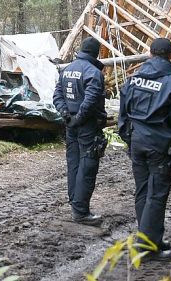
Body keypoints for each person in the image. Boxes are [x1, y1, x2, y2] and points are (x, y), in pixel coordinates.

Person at [118, 38, 171, 260]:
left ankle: (151, 238)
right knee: (157, 195)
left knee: (143, 191)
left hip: (137, 142)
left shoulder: (132, 81)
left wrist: (129, 139)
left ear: (150, 54)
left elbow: (122, 115)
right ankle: (147, 246)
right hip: (159, 146)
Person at [53, 37, 108, 226]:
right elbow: (91, 100)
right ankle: (81, 210)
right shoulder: (93, 72)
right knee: (87, 165)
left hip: (71, 124)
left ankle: (75, 202)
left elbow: (57, 95)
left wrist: (66, 115)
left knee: (73, 163)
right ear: (95, 53)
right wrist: (79, 118)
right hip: (87, 125)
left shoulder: (67, 69)